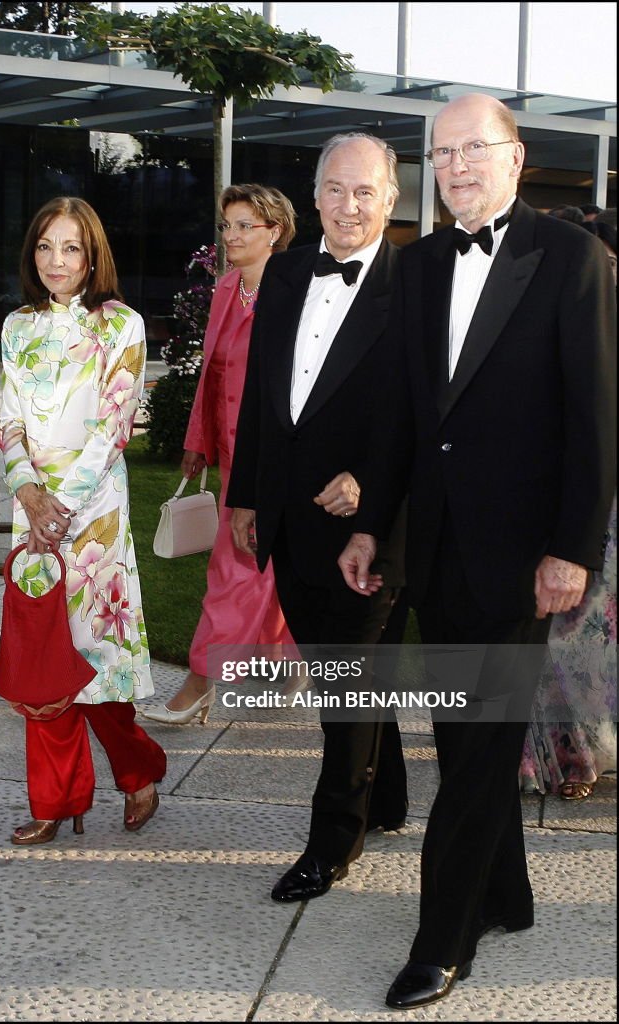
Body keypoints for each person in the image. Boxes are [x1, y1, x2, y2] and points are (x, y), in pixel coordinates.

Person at [339, 93, 616, 1009]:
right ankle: (508, 894)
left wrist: (571, 548)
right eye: (440, 151)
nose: (454, 166)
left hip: (524, 555)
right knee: (466, 738)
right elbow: (402, 421)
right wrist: (374, 523)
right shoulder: (415, 265)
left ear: (516, 157)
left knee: (481, 748)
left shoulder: (570, 256)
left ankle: (443, 936)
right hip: (435, 549)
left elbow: (595, 420)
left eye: (474, 149)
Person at [228, 133, 408, 904]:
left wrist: (368, 481)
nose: (348, 206)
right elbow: (263, 398)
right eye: (335, 189)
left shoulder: (418, 286)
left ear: (392, 199)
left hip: (373, 524)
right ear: (314, 196)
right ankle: (389, 796)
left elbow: (423, 411)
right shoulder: (289, 270)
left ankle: (333, 841)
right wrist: (243, 493)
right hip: (286, 517)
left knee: (344, 689)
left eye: (365, 191)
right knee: (352, 680)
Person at [0, 196, 166, 844]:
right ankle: (54, 799)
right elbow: (9, 419)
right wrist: (30, 495)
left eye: (69, 247)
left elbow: (113, 427)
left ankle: (138, 770)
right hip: (33, 509)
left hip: (94, 514)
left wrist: (61, 507)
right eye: (45, 246)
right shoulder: (17, 326)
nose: (56, 260)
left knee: (98, 659)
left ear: (92, 255)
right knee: (42, 657)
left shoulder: (120, 324)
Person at [142, 184, 298, 725]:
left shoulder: (295, 291)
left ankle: (201, 679)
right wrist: (196, 441)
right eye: (226, 225)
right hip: (231, 450)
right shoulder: (227, 287)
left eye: (243, 226)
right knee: (271, 563)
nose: (230, 236)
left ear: (274, 231)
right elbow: (212, 371)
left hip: (278, 458)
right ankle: (293, 667)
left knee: (236, 567)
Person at [521, 219, 617, 799]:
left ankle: (587, 751)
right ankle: (551, 754)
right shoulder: (544, 319)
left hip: (608, 512)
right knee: (552, 635)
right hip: (550, 501)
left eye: (606, 260)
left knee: (593, 644)